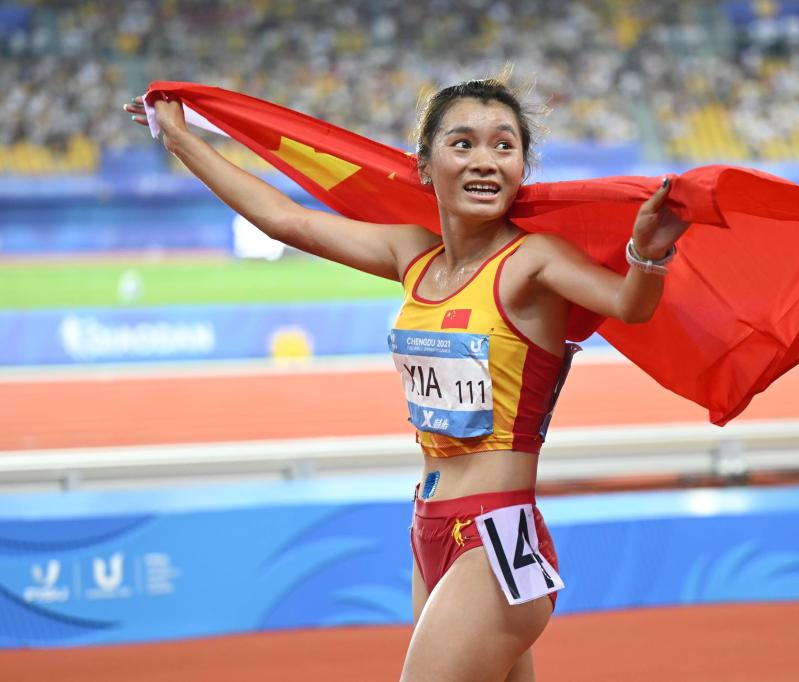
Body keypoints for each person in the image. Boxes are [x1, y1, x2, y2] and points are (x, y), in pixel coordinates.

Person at [124, 76, 688, 682]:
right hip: (429, 529)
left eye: (504, 146)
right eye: (463, 143)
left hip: (494, 537)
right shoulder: (412, 256)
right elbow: (285, 220)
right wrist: (179, 138)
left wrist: (647, 255)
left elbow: (628, 305)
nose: (485, 161)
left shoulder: (532, 261)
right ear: (424, 165)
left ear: (523, 167)